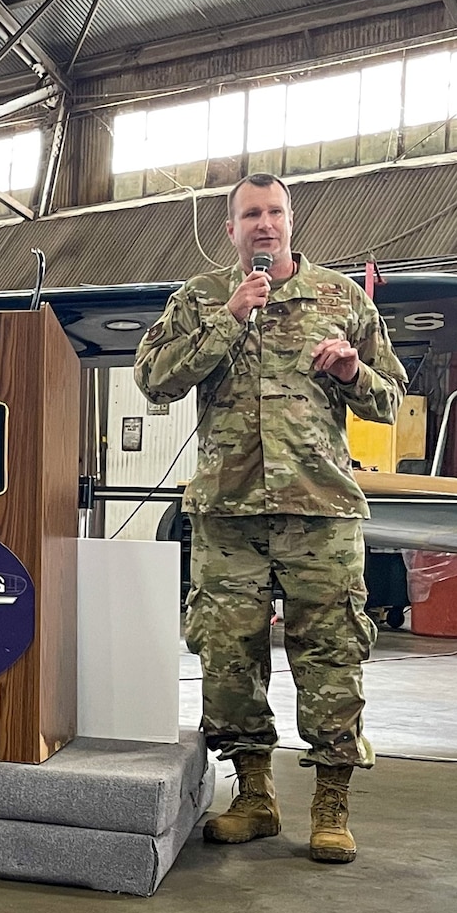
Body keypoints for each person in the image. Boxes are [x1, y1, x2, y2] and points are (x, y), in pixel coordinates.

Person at [133, 173, 407, 863]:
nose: (264, 224)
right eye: (250, 214)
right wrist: (229, 317)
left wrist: (351, 372)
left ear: (292, 220)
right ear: (231, 230)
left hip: (320, 511)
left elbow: (392, 399)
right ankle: (254, 794)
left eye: (275, 212)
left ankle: (332, 802)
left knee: (333, 657)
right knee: (228, 658)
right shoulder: (200, 299)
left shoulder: (342, 299)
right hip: (229, 515)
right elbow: (155, 380)